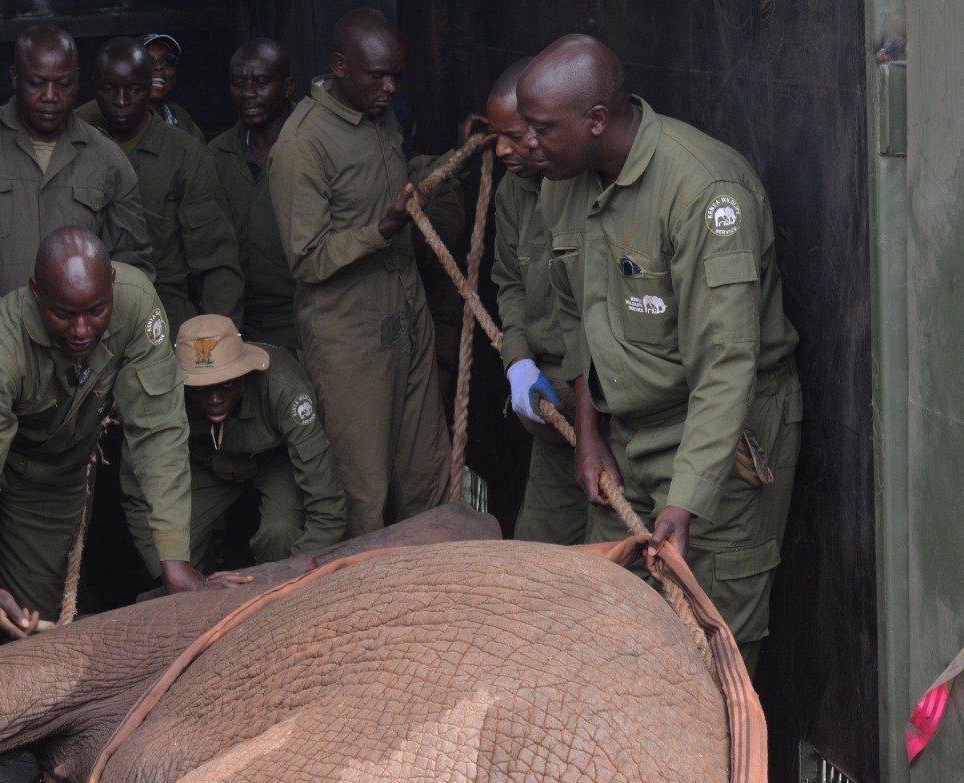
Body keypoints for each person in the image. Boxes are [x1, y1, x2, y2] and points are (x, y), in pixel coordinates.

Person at [520, 35, 801, 669]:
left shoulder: (703, 190)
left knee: (711, 649)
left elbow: (724, 369)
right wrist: (589, 434)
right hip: (628, 440)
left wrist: (687, 498)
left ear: (595, 121)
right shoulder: (562, 183)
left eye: (541, 129)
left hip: (722, 446)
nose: (527, 145)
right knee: (612, 630)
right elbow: (579, 328)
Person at [0, 227, 246, 660]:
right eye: (63, 314)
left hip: (49, 469)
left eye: (96, 310)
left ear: (111, 286)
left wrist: (175, 561)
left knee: (25, 628)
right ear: (35, 293)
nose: (82, 329)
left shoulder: (137, 304)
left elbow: (159, 433)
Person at [269, 7, 451, 536]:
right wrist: (383, 229)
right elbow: (305, 257)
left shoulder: (382, 115)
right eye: (378, 75)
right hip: (348, 338)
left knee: (427, 474)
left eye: (398, 75)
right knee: (362, 494)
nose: (391, 88)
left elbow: (389, 175)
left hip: (407, 318)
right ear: (340, 66)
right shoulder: (304, 143)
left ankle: (437, 596)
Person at [0, 25, 153, 294]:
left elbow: (132, 266)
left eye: (63, 84)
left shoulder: (107, 158)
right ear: (14, 77)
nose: (51, 97)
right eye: (37, 83)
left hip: (79, 332)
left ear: (77, 81)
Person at [122, 314, 343, 574]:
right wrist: (170, 576)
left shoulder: (283, 388)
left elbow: (327, 503)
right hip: (207, 464)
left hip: (275, 462)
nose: (215, 398)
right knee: (170, 552)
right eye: (201, 388)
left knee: (279, 534)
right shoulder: (160, 398)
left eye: (226, 384)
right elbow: (138, 490)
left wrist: (291, 575)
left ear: (244, 374)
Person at [487, 58, 588, 546]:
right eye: (494, 134)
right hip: (553, 399)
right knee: (538, 549)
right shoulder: (513, 191)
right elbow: (508, 281)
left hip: (607, 404)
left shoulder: (588, 189)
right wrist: (519, 361)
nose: (502, 148)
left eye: (512, 135)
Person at [84, 37, 243, 334]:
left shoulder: (185, 155)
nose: (121, 101)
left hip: (164, 313)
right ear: (95, 89)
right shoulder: (76, 146)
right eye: (109, 89)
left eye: (134, 89)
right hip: (83, 318)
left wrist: (216, 341)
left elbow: (217, 263)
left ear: (149, 88)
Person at [207, 38, 298, 347]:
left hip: (305, 319)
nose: (248, 93)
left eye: (260, 82)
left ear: (287, 87)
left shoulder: (312, 147)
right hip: (243, 322)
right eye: (238, 82)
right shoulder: (216, 156)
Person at [77, 33, 206, 144]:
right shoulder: (92, 114)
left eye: (168, 61)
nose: (159, 67)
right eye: (149, 60)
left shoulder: (181, 117)